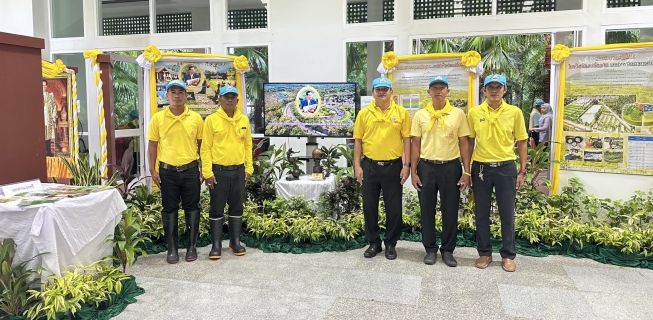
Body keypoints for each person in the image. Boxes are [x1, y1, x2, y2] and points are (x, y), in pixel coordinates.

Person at [467, 74, 528, 272]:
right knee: (482, 213)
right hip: (482, 168)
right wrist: (467, 171)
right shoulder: (475, 112)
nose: (494, 91)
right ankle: (484, 253)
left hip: (506, 167)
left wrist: (522, 171)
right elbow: (469, 142)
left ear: (505, 90)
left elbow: (522, 141)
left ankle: (508, 255)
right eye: (490, 87)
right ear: (484, 90)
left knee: (507, 213)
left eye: (498, 87)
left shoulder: (514, 112)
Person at [410, 75, 472, 266]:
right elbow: (415, 145)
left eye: (442, 87)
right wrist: (414, 171)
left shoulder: (458, 114)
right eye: (434, 88)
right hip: (426, 167)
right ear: (428, 92)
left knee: (450, 210)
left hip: (451, 167)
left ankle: (447, 250)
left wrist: (466, 171)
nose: (438, 91)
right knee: (427, 209)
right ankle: (429, 249)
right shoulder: (420, 115)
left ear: (448, 91)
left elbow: (464, 144)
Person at [353, 77, 411, 260]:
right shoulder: (363, 114)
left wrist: (407, 165)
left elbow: (407, 140)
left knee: (394, 208)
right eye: (378, 89)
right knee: (369, 207)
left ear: (391, 92)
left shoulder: (402, 113)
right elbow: (358, 141)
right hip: (369, 166)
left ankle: (391, 244)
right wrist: (357, 165)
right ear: (372, 93)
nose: (382, 92)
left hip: (394, 166)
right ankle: (374, 242)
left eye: (385, 89)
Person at [147, 79, 204, 264]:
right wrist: (152, 169)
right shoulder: (157, 118)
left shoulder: (195, 118)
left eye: (180, 92)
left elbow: (202, 145)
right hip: (167, 172)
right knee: (169, 209)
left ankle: (191, 247)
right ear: (167, 95)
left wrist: (204, 168)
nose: (177, 96)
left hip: (191, 170)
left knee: (192, 208)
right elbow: (152, 145)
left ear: (186, 96)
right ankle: (172, 249)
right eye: (173, 92)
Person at [201, 85, 253, 260]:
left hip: (239, 171)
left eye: (233, 97)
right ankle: (216, 245)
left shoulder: (244, 120)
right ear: (220, 100)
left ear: (238, 100)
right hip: (219, 171)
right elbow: (205, 148)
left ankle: (234, 242)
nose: (230, 100)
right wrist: (207, 171)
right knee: (216, 208)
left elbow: (248, 146)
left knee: (237, 206)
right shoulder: (211, 120)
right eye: (226, 97)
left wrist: (249, 168)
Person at [43, 80, 57, 156]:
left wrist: (53, 115)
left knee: (47, 135)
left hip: (47, 118)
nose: (43, 87)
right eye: (42, 85)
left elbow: (54, 106)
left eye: (45, 85)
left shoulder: (50, 95)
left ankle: (48, 151)